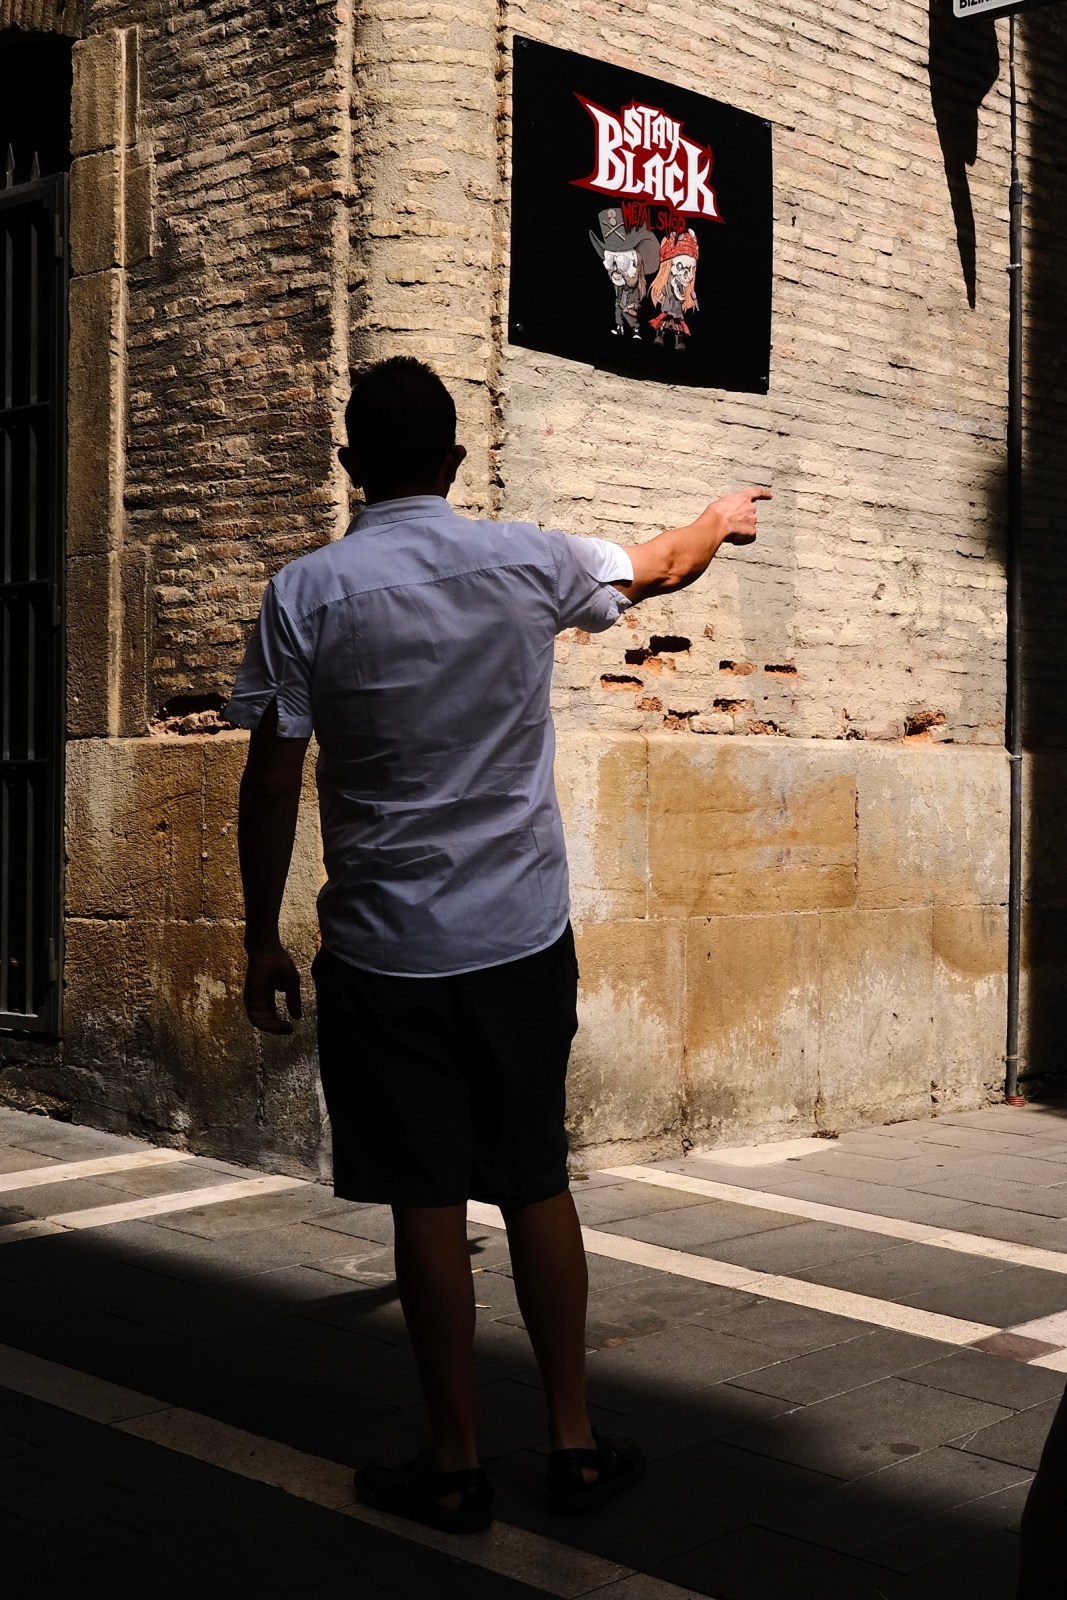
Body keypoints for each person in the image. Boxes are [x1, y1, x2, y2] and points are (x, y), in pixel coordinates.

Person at [226, 356, 769, 1536]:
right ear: (455, 462)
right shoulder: (527, 558)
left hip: (384, 951)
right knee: (532, 1179)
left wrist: (261, 930)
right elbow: (666, 562)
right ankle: (572, 1443)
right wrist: (719, 518)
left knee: (423, 1200)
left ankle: (457, 1459)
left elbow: (273, 775)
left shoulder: (304, 593)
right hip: (519, 938)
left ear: (350, 467)